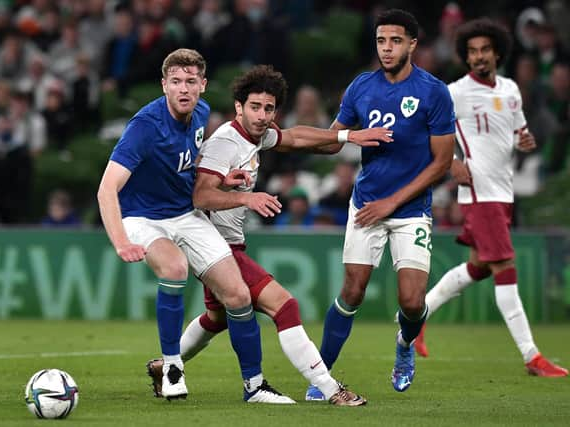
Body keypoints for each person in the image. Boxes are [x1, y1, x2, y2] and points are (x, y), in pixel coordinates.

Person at [146, 64, 393, 406]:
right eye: (255, 107)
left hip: (227, 243)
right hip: (213, 246)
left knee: (217, 318)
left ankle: (165, 366)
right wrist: (247, 197)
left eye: (269, 108)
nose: (263, 116)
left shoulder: (257, 135)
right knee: (285, 305)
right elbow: (201, 196)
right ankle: (330, 389)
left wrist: (346, 136)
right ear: (238, 107)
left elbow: (294, 137)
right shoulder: (224, 144)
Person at [97, 49, 293, 404]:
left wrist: (222, 178)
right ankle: (172, 369)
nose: (183, 89)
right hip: (143, 218)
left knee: (238, 296)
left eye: (190, 81)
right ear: (164, 85)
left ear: (202, 85)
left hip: (186, 215)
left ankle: (255, 386)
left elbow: (188, 160)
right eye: (175, 82)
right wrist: (120, 241)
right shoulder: (144, 127)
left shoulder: (201, 113)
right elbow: (107, 188)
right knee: (174, 267)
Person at [306, 9, 456, 399]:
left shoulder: (434, 91)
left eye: (395, 41)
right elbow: (331, 140)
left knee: (411, 302)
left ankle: (405, 345)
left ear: (412, 44)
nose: (386, 48)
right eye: (380, 41)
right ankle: (322, 378)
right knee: (352, 291)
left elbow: (441, 162)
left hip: (409, 210)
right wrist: (345, 137)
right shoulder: (361, 88)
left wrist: (392, 202)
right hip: (367, 205)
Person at [414, 18, 568, 377]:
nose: (479, 56)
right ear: (466, 57)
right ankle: (532, 356)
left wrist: (525, 140)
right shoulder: (455, 92)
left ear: (497, 52)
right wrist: (450, 162)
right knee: (504, 268)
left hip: (503, 190)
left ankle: (414, 318)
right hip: (479, 192)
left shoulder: (511, 90)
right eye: (472, 51)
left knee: (478, 267)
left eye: (485, 50)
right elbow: (422, 128)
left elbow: (517, 134)